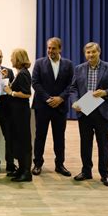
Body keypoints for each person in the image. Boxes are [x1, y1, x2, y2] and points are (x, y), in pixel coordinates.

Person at [70, 42, 108, 187]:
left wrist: (106, 92)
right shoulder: (79, 68)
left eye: (93, 52)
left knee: (103, 144)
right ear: (85, 54)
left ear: (99, 52)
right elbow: (74, 88)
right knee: (85, 144)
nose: (91, 55)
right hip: (85, 111)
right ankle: (86, 171)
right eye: (88, 53)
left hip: (102, 112)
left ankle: (105, 174)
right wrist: (75, 101)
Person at [31, 37, 73, 177]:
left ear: (60, 49)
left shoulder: (68, 64)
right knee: (40, 136)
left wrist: (60, 98)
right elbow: (35, 83)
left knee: (59, 137)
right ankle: (37, 163)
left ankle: (59, 164)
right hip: (43, 106)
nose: (50, 51)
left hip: (60, 107)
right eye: (49, 48)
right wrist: (48, 98)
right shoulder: (39, 63)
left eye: (53, 48)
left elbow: (71, 85)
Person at [4, 49, 33, 182]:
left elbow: (27, 94)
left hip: (21, 113)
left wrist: (11, 93)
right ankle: (21, 169)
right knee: (19, 141)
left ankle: (26, 172)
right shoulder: (20, 73)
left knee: (23, 142)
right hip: (17, 113)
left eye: (12, 57)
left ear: (18, 58)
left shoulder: (23, 74)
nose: (11, 59)